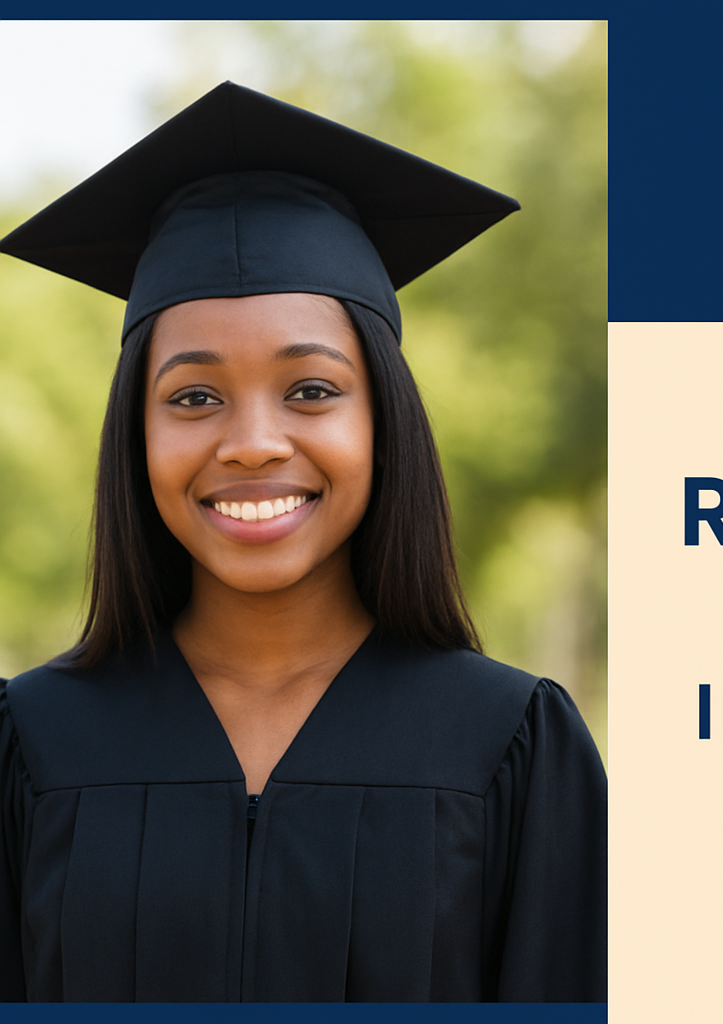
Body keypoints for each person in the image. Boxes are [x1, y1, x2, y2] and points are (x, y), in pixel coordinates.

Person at [0, 82, 606, 1001]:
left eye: (312, 390)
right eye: (193, 397)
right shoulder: (30, 745)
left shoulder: (512, 745)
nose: (250, 440)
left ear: (384, 422)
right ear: (136, 433)